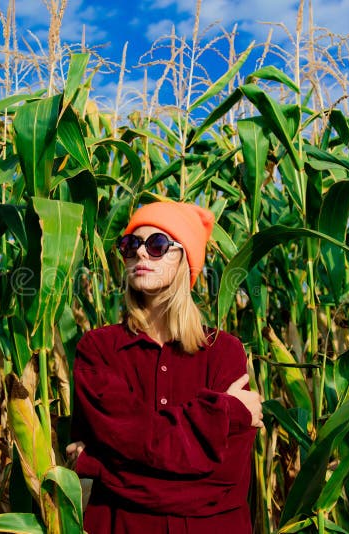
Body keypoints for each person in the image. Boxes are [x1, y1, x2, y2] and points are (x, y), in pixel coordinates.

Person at [67, 201, 263, 534]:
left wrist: (101, 467)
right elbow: (202, 485)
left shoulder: (224, 352)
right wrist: (223, 413)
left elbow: (225, 484)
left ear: (186, 259)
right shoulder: (98, 350)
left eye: (157, 245)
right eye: (131, 245)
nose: (141, 253)